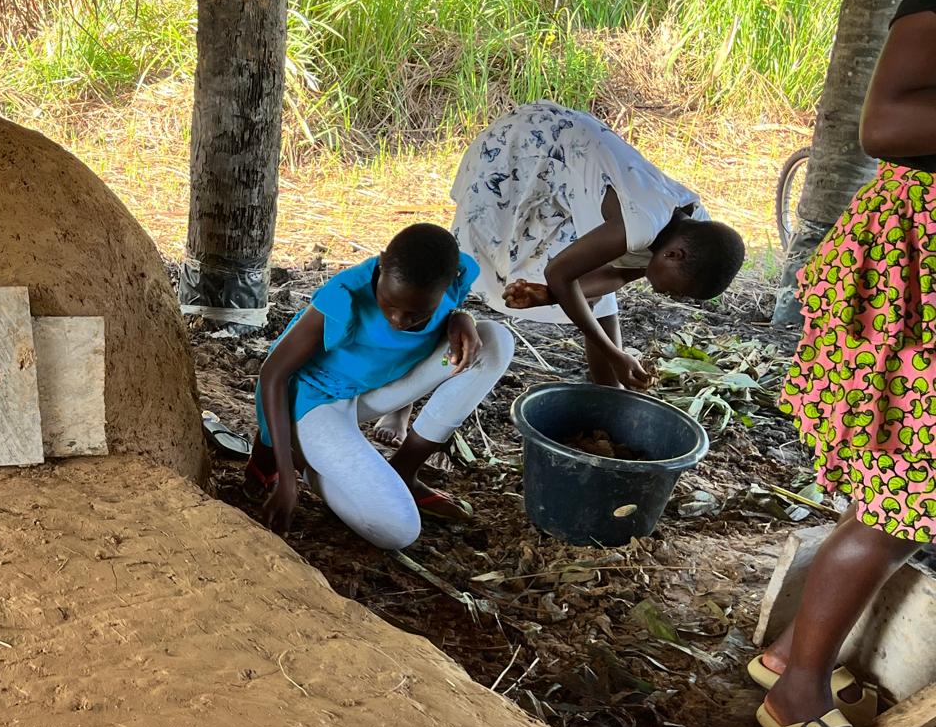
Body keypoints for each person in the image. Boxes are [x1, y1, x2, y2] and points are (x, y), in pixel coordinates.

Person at [754, 0, 936, 727]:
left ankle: (792, 652)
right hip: (917, 269)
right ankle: (797, 694)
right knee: (903, 499)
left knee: (895, 489)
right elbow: (887, 125)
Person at [249, 223, 513, 549]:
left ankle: (404, 469)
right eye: (389, 303)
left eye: (417, 314)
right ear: (382, 262)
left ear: (446, 287)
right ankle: (305, 463)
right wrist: (285, 477)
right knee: (398, 530)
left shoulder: (446, 281)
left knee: (493, 340)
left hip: (373, 390)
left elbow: (441, 318)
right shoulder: (343, 296)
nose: (399, 320)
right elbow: (273, 373)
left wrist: (460, 316)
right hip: (317, 401)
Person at [450, 100, 746, 389]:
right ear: (674, 255)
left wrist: (550, 296)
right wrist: (614, 354)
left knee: (585, 286)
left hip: (566, 176)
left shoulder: (693, 227)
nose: (668, 296)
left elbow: (616, 275)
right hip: (531, 145)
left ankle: (608, 393)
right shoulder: (641, 225)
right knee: (485, 246)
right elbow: (560, 274)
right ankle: (434, 329)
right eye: (677, 291)